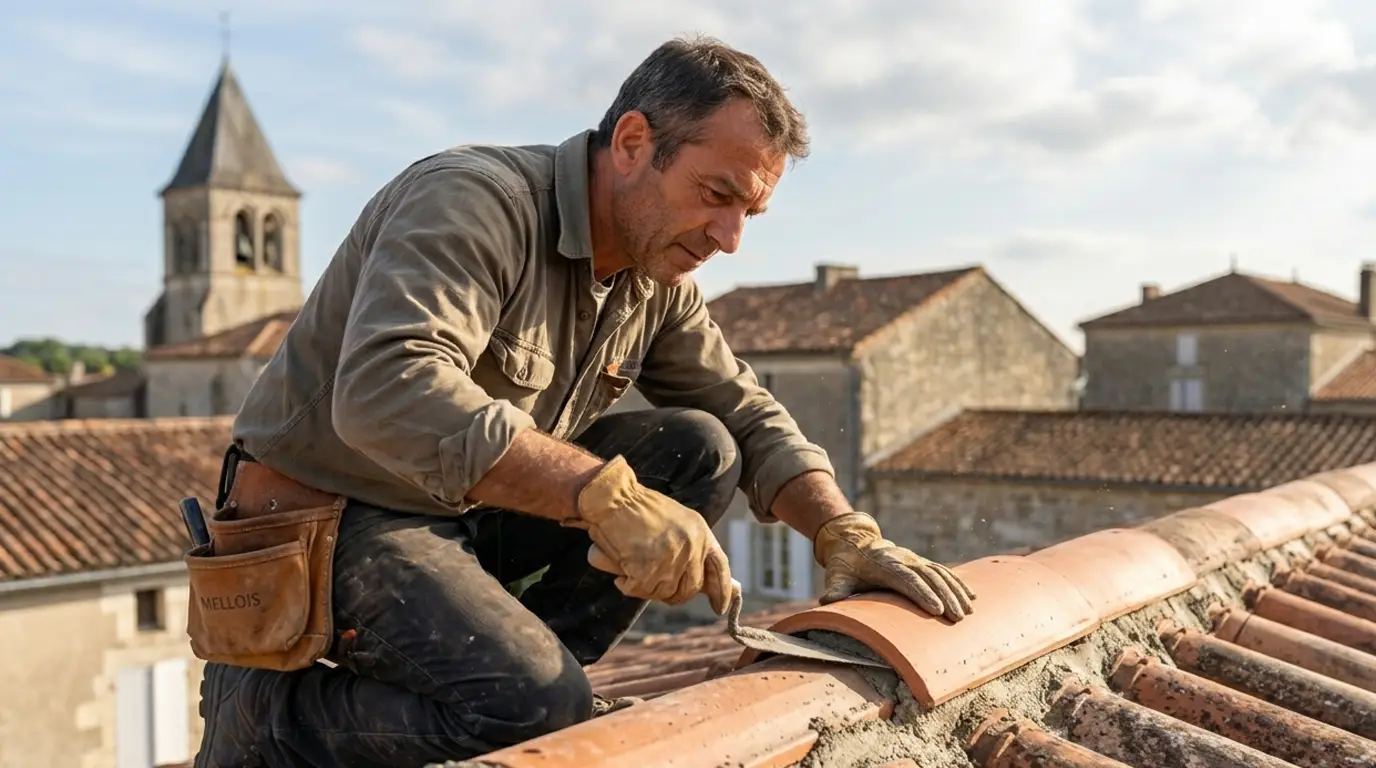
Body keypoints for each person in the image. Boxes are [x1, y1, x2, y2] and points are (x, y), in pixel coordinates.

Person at [192, 35, 976, 768]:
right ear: (633, 143)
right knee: (535, 709)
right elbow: (384, 388)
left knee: (700, 448)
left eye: (750, 212)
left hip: (446, 517)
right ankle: (269, 711)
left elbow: (744, 409)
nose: (730, 236)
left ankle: (531, 682)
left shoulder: (652, 276)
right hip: (326, 520)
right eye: (716, 194)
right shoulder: (473, 200)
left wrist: (841, 530)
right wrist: (599, 495)